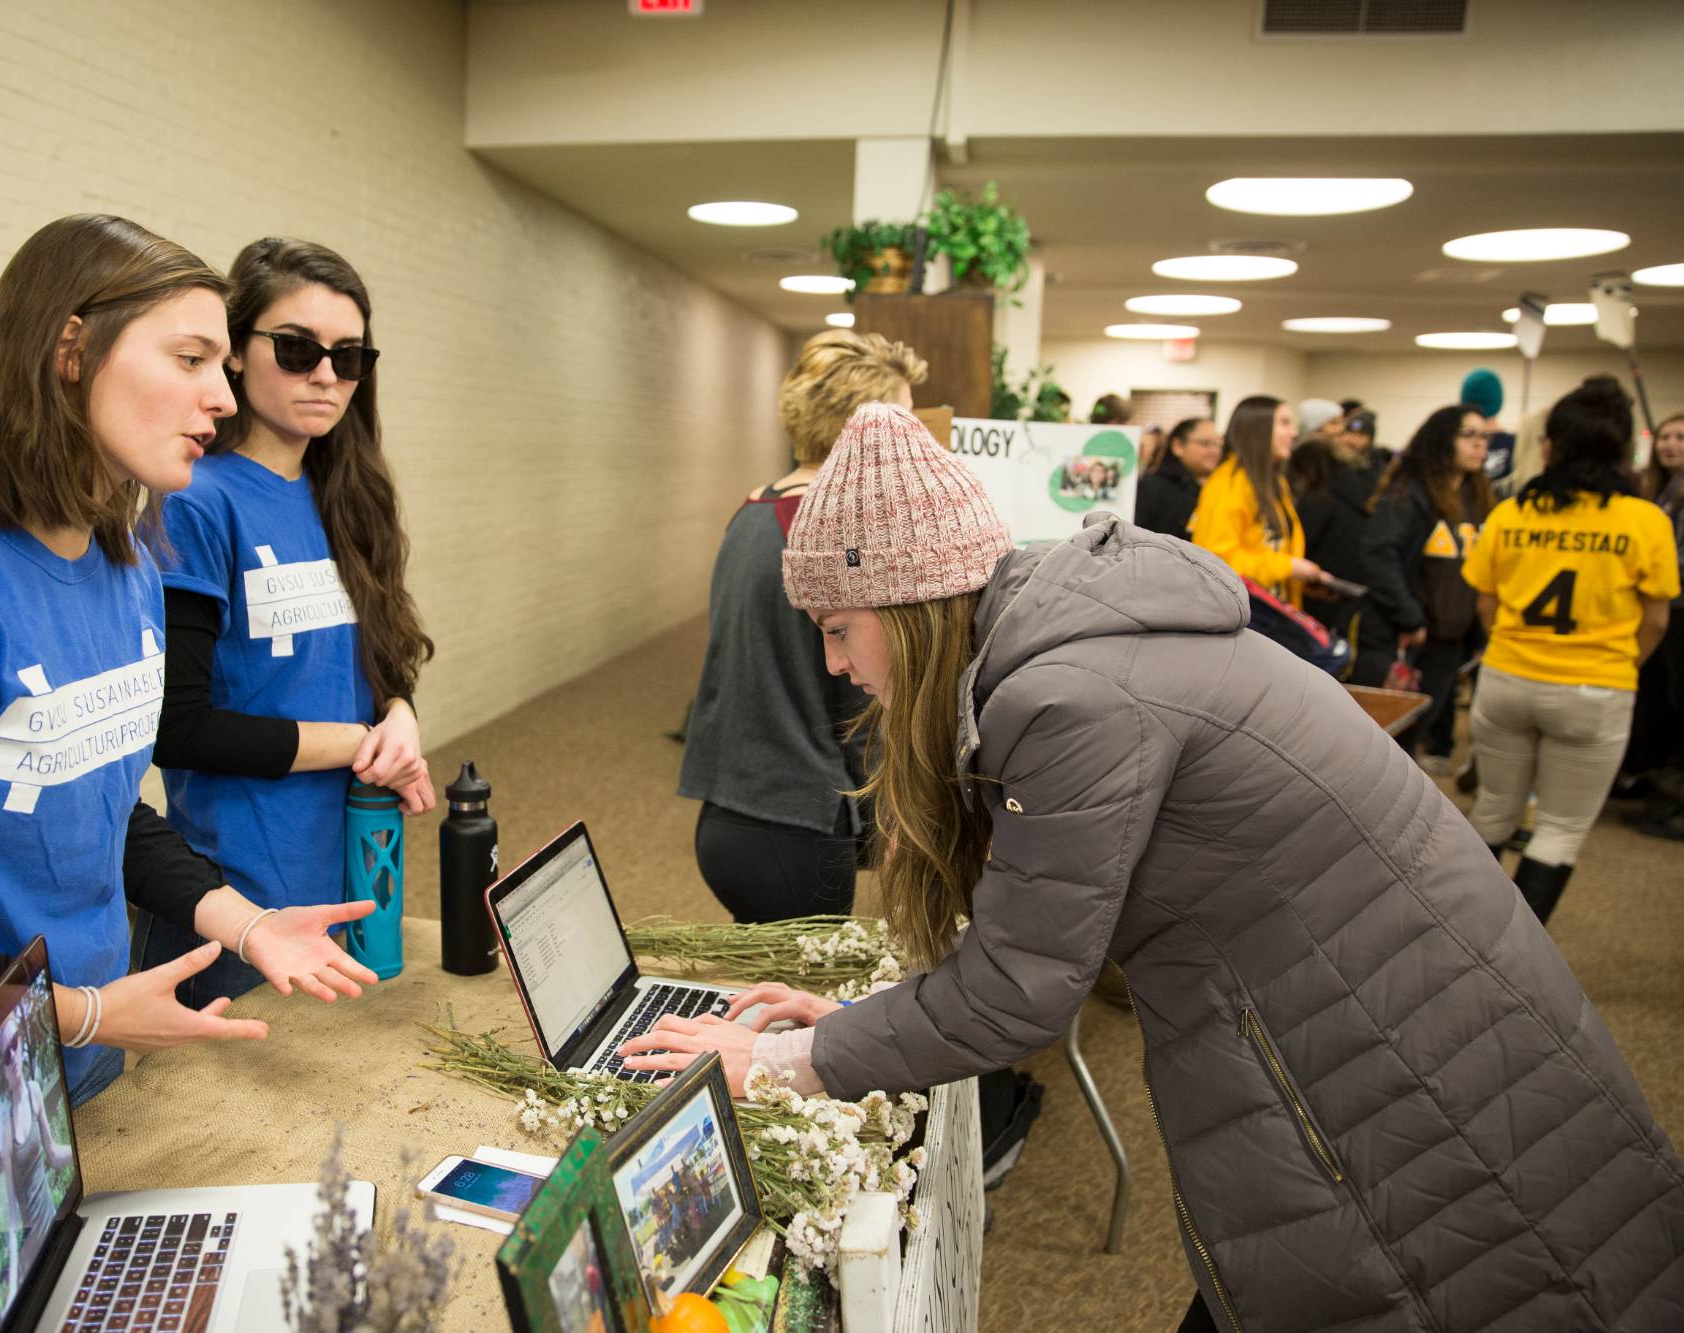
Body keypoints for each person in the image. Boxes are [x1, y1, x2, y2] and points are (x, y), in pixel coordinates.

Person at [621, 400, 1684, 1333]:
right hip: (1387, 1008)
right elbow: (1033, 935)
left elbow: (1016, 995)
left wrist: (783, 1063)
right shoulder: (1073, 650)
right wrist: (845, 1024)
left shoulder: (1066, 701)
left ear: (911, 608)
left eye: (840, 629)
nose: (834, 665)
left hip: (1392, 1060)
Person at [0, 215, 378, 1298]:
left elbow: (98, 809)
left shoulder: (124, 557)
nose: (223, 400)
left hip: (75, 1067)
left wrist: (237, 916)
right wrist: (86, 1009)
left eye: (221, 369)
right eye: (189, 362)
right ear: (68, 351)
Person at [141, 238, 435, 1003]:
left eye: (349, 357)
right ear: (236, 352)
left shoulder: (345, 492)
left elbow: (373, 659)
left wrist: (399, 713)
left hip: (351, 858)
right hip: (246, 896)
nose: (327, 376)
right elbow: (179, 725)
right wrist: (356, 742)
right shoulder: (198, 499)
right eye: (298, 349)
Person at [678, 329, 924, 922]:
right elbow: (860, 690)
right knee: (797, 1008)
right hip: (792, 825)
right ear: (859, 429)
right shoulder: (834, 531)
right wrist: (898, 814)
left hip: (732, 810)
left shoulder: (759, 505)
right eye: (906, 421)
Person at [1464, 378, 1680, 921]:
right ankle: (1514, 954)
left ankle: (1459, 930)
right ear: (1623, 448)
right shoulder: (1645, 520)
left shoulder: (1512, 514)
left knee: (1493, 810)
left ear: (1551, 445)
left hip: (1507, 678)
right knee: (1559, 829)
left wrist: (1512, 651)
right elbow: (1656, 619)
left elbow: (1486, 605)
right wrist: (1622, 664)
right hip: (1595, 687)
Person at [1352, 404, 1494, 768]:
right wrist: (1410, 617)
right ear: (1442, 441)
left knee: (1412, 745)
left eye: (1484, 437)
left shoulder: (1477, 499)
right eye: (1469, 435)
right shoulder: (1408, 491)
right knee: (1378, 747)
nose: (1480, 445)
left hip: (1448, 642)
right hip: (1402, 638)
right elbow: (1378, 555)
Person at [1188, 394, 1323, 608]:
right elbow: (1216, 562)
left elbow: (1272, 549)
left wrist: (1300, 578)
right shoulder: (1229, 484)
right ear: (1258, 429)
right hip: (1243, 617)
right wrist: (1288, 567)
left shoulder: (1274, 482)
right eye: (1284, 423)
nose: (1294, 433)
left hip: (1271, 613)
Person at [1621, 411, 1684, 839]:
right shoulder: (1657, 493)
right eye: (1665, 436)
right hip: (1662, 612)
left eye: (1681, 437)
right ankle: (1654, 786)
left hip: (1678, 613)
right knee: (1658, 705)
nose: (1670, 444)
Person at [1285, 440, 1367, 639]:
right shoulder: (1366, 491)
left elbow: (1299, 544)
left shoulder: (1318, 497)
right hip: (1355, 594)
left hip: (1318, 592)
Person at [1135, 417, 1219, 540]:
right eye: (1205, 443)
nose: (1215, 451)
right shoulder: (1152, 488)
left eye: (1218, 444)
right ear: (1178, 446)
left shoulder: (1213, 487)